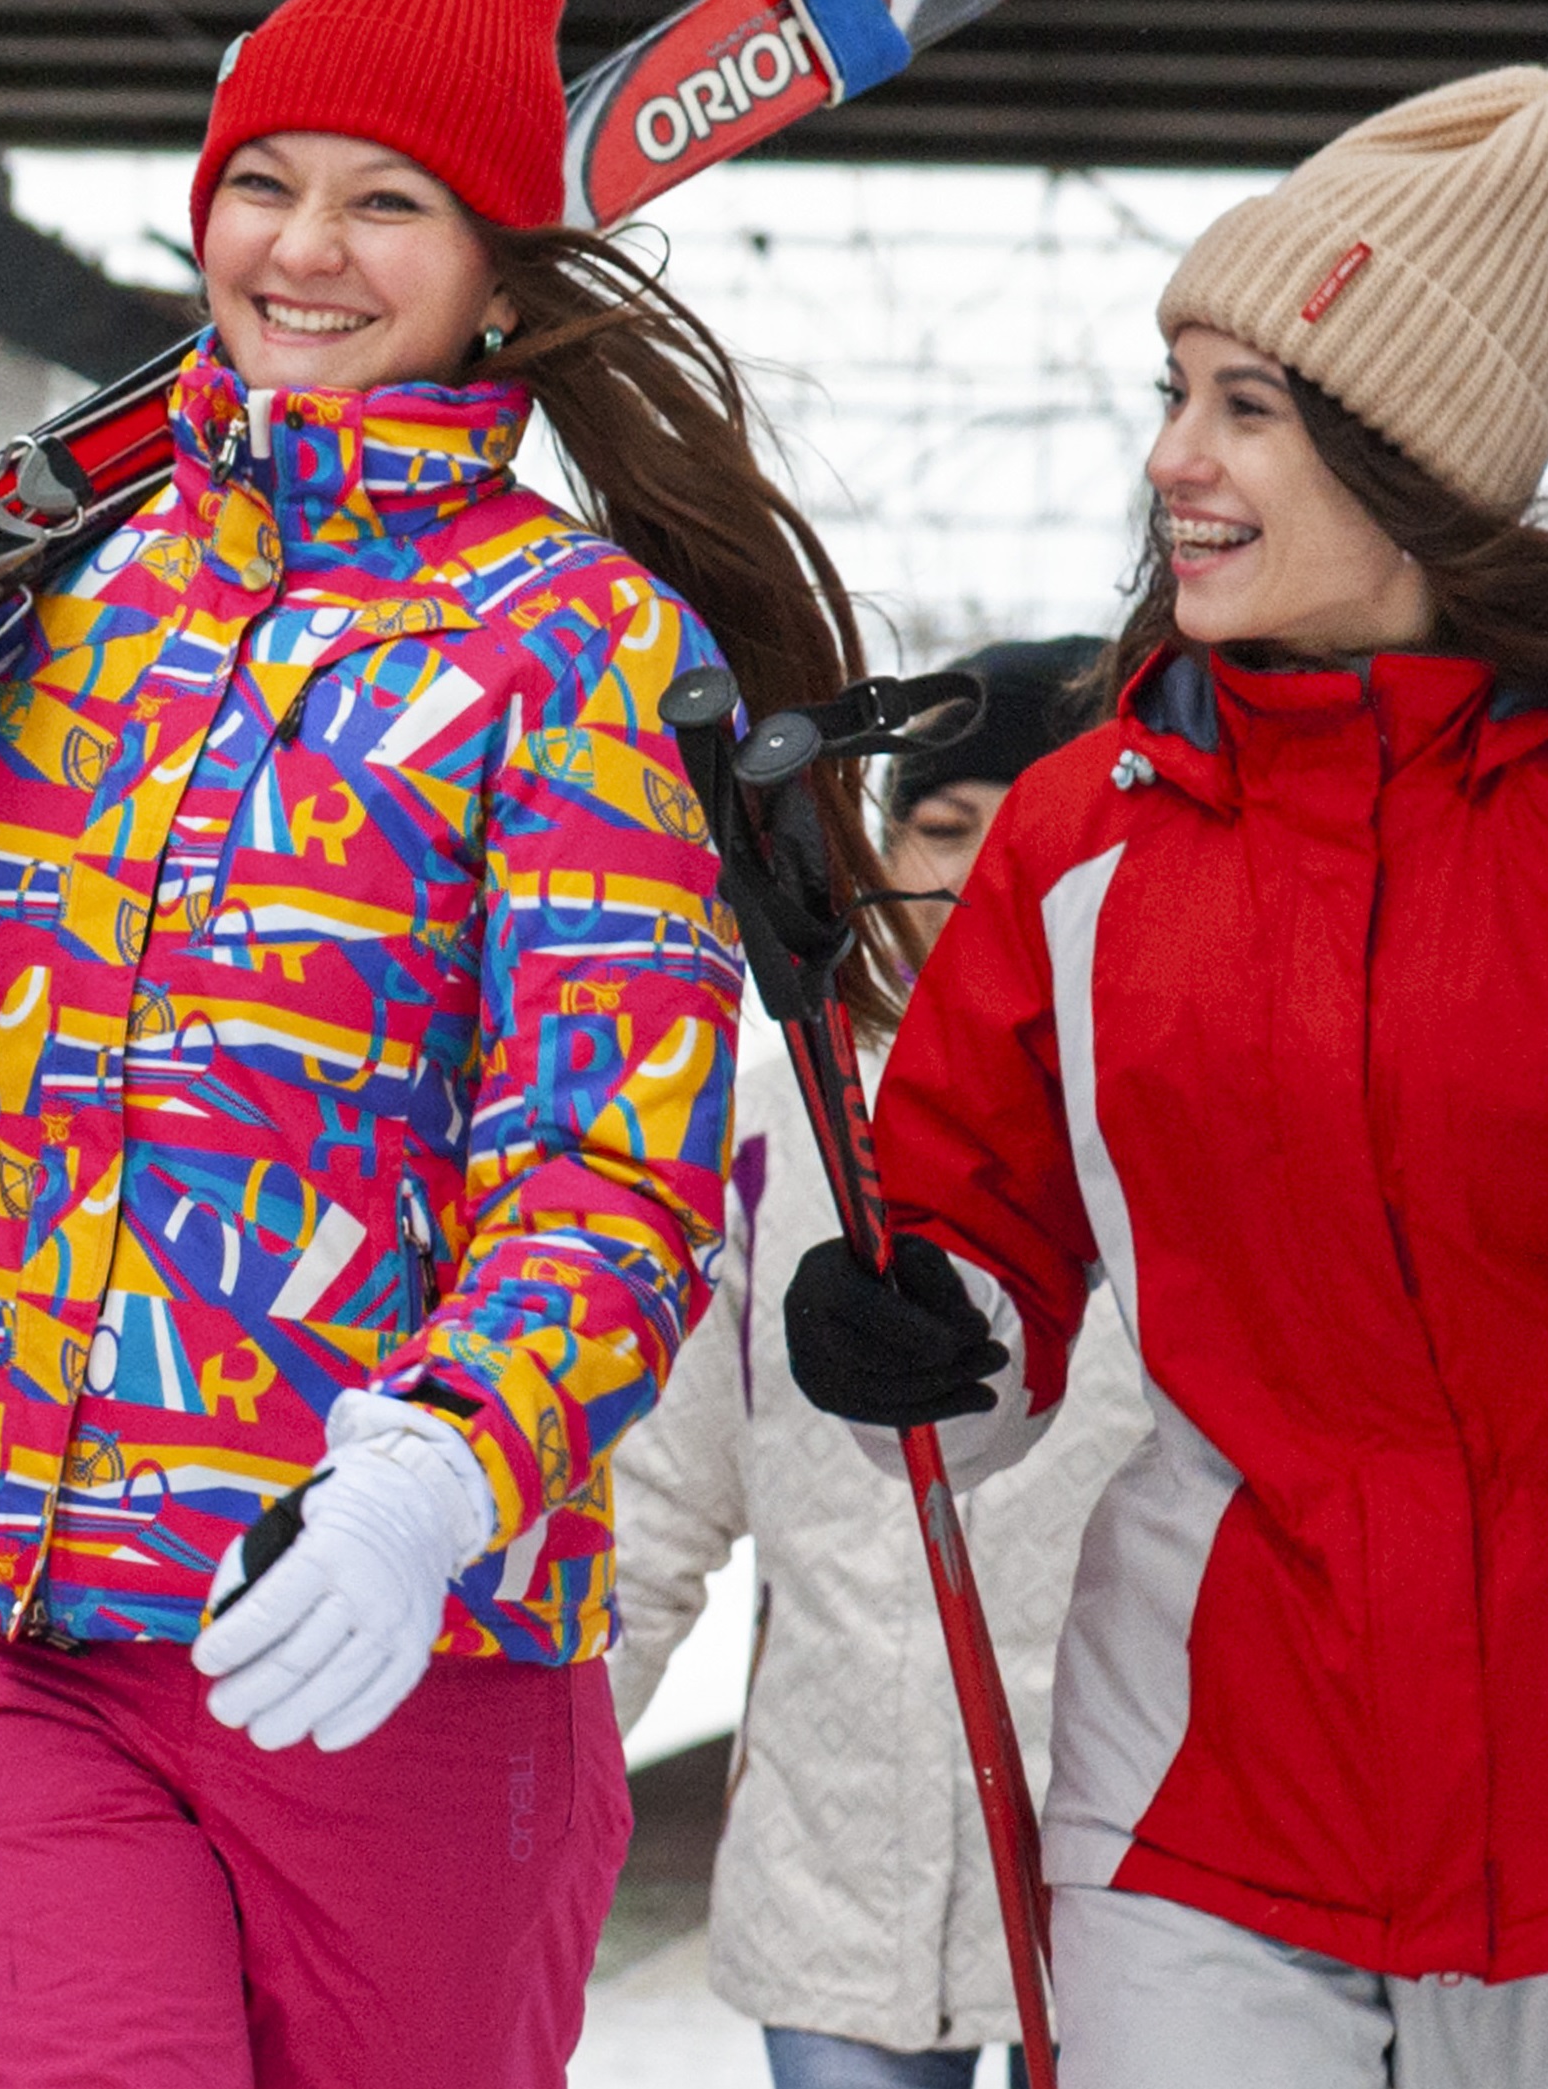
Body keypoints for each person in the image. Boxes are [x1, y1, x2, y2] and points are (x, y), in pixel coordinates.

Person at [0, 0, 880, 2078]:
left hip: (384, 1638)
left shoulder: (578, 649)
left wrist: (440, 1467)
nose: (304, 247)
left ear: (500, 281)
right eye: (263, 183)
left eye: (388, 203)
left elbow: (611, 1166)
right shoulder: (14, 592)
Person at [778, 68, 1548, 2089]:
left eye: (1246, 405)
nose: (1171, 456)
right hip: (1206, 1783)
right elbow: (978, 1236)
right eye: (1174, 391)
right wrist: (910, 1322)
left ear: (1407, 460)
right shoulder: (1084, 832)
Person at [600, 638, 1148, 2089]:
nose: (973, 874)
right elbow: (654, 1510)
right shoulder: (773, 1132)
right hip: (833, 1867)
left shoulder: (1179, 1124)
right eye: (944, 825)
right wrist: (545, 1802)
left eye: (1024, 832)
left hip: (1125, 1867)